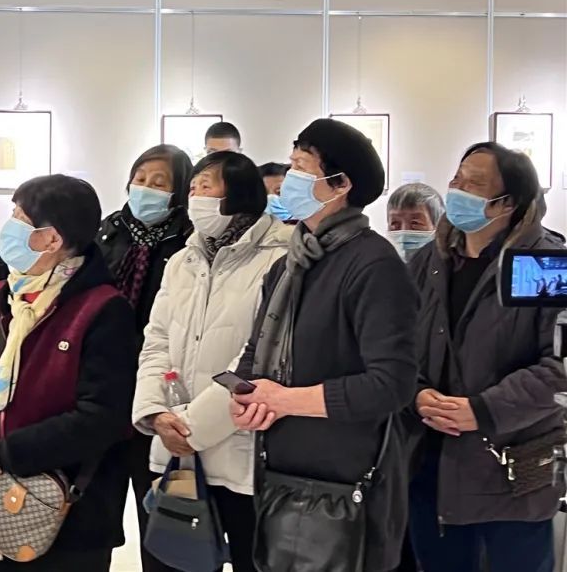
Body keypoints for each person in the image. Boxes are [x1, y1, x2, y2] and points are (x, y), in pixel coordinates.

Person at [232, 118, 420, 572]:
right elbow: (256, 353)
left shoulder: (375, 265)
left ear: (340, 184)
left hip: (346, 485)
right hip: (281, 473)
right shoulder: (288, 266)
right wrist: (244, 395)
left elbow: (391, 384)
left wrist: (286, 400)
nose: (289, 178)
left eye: (302, 167)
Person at [0, 175, 138, 571]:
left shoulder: (103, 310)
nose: (9, 226)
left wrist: (5, 455)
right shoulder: (3, 297)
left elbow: (101, 418)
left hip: (67, 513)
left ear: (52, 239)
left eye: (20, 218)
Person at [407, 143, 567, 572]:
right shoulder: (428, 262)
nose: (458, 189)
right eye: (456, 178)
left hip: (512, 473)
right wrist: (416, 394)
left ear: (507, 203)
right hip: (431, 466)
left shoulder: (547, 264)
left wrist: (482, 409)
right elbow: (397, 347)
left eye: (474, 184)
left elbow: (560, 367)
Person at [133, 151, 291, 572]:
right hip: (177, 449)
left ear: (238, 191)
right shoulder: (182, 260)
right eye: (192, 188)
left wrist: (194, 428)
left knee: (251, 557)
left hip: (244, 452)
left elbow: (260, 356)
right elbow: (157, 340)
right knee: (175, 559)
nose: (196, 196)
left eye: (207, 185)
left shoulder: (280, 257)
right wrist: (154, 412)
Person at [96, 145, 193, 572]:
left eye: (159, 183)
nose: (146, 189)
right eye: (140, 179)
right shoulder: (107, 234)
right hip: (103, 394)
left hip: (158, 398)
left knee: (160, 523)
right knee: (93, 519)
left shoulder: (190, 242)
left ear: (179, 193)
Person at [386, 182, 444, 263]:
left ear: (438, 225)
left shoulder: (448, 267)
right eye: (395, 224)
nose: (404, 232)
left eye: (415, 223)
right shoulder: (379, 265)